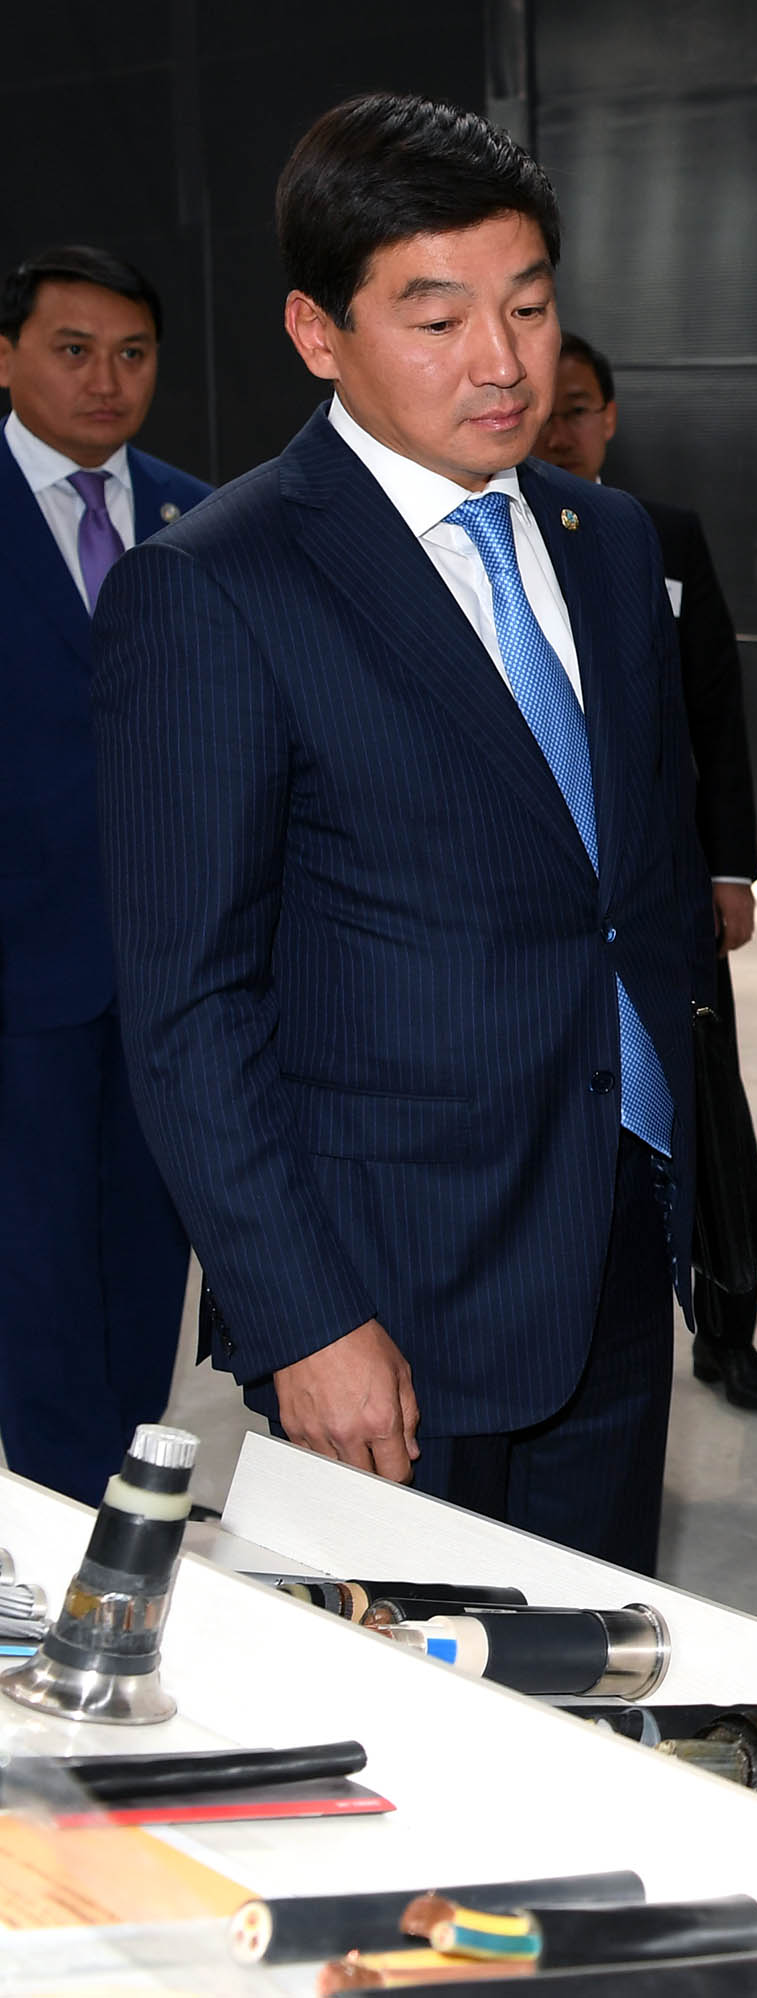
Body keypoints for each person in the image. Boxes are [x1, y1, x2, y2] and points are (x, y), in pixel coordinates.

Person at [94, 93, 706, 1569]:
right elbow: (189, 1006)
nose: (502, 362)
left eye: (529, 307)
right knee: (405, 1692)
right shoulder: (220, 585)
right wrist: (303, 1315)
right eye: (436, 319)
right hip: (389, 1293)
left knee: (592, 1661)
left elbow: (631, 886)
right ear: (318, 333)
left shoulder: (608, 540)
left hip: (617, 1229)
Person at [537, 330, 757, 1413]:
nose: (560, 428)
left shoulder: (658, 535)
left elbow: (715, 713)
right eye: (546, 405)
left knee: (707, 1112)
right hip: (556, 899)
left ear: (610, 417)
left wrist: (731, 868)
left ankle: (728, 1328)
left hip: (669, 890)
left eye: (579, 407)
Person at [0, 246, 205, 1504]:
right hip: (22, 972)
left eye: (132, 354)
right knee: (34, 1260)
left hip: (174, 969)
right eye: (72, 350)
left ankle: (122, 1483)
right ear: (6, 355)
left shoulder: (202, 517)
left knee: (146, 1247)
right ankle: (55, 1503)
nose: (106, 380)